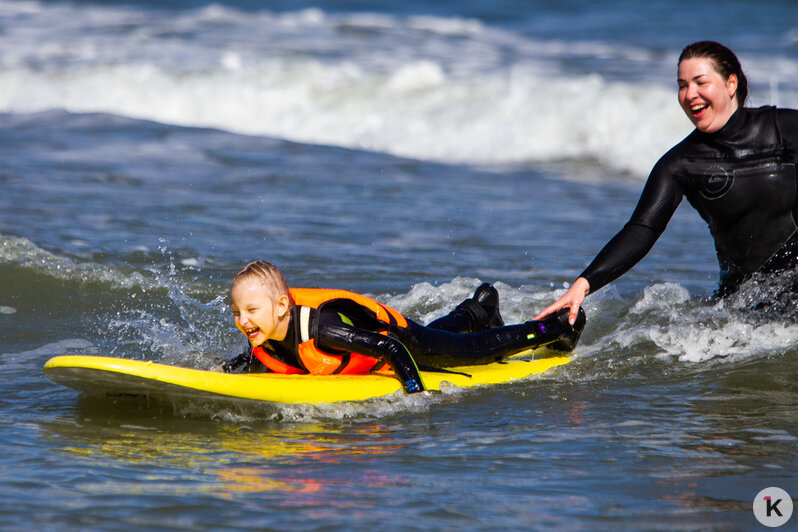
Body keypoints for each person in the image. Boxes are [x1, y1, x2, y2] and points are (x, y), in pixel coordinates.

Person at [536, 41, 798, 324]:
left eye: (700, 82)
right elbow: (641, 230)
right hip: (746, 311)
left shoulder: (782, 129)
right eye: (682, 85)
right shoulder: (680, 163)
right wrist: (583, 284)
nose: (690, 95)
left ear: (730, 83)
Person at [223, 260, 586, 394]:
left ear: (282, 306)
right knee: (442, 333)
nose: (243, 320)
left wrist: (416, 393)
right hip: (389, 339)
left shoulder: (322, 331)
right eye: (237, 311)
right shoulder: (265, 333)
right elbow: (252, 361)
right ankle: (479, 307)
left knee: (473, 352)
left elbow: (389, 349)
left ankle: (554, 327)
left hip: (401, 340)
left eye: (252, 309)